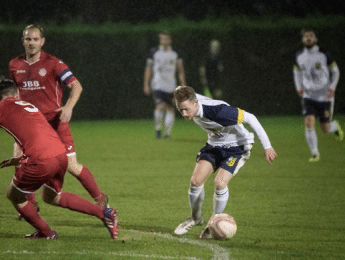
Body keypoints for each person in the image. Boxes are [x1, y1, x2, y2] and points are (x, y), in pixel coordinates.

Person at [0, 78, 118, 239]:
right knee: (51, 197)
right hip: (60, 154)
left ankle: (47, 233)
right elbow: (38, 136)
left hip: (42, 159)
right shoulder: (28, 105)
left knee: (14, 195)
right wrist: (20, 159)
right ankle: (105, 213)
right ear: (17, 94)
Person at [9, 24, 108, 214]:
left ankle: (101, 201)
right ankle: (30, 205)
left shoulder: (54, 64)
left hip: (55, 124)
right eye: (28, 39)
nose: (31, 43)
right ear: (23, 41)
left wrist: (68, 107)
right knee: (20, 161)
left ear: (42, 41)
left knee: (72, 165)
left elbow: (77, 86)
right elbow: (17, 94)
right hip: (30, 127)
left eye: (35, 39)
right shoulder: (15, 64)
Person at [172, 86, 277, 237]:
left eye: (186, 109)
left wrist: (267, 146)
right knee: (196, 181)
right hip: (214, 146)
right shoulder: (190, 100)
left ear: (195, 102)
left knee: (220, 183)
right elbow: (180, 89)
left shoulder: (218, 112)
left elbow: (251, 118)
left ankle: (213, 223)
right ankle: (195, 219)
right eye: (180, 110)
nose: (183, 113)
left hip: (237, 148)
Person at [293, 28, 343, 162]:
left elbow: (336, 71)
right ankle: (315, 153)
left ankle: (334, 126)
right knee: (309, 122)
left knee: (325, 128)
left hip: (325, 96)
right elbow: (296, 72)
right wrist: (299, 87)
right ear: (303, 40)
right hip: (308, 96)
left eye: (311, 36)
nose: (308, 38)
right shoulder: (299, 56)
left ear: (315, 39)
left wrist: (332, 87)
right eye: (306, 36)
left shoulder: (324, 54)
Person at [143, 30, 186, 139]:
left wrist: (183, 84)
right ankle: (158, 129)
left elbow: (180, 70)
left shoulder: (175, 53)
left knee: (170, 109)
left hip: (171, 86)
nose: (164, 41)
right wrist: (146, 84)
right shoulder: (154, 52)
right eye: (162, 39)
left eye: (166, 39)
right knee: (160, 106)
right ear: (160, 40)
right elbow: (148, 69)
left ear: (170, 40)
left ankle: (167, 134)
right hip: (157, 85)